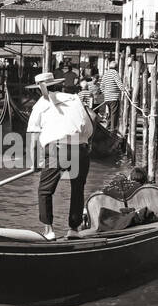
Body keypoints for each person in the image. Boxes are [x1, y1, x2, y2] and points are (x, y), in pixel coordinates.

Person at [26, 70, 94, 239]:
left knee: (44, 191)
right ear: (58, 85)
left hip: (57, 149)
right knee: (77, 189)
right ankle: (74, 229)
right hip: (81, 149)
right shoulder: (75, 99)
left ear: (38, 90)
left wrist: (34, 163)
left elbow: (33, 139)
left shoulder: (40, 104)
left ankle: (49, 230)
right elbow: (89, 127)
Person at [99, 59, 122, 123]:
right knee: (114, 114)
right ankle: (112, 130)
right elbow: (119, 83)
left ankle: (109, 128)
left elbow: (101, 86)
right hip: (114, 97)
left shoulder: (105, 74)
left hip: (107, 98)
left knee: (110, 113)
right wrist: (125, 90)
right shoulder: (114, 73)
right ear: (116, 67)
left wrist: (106, 93)